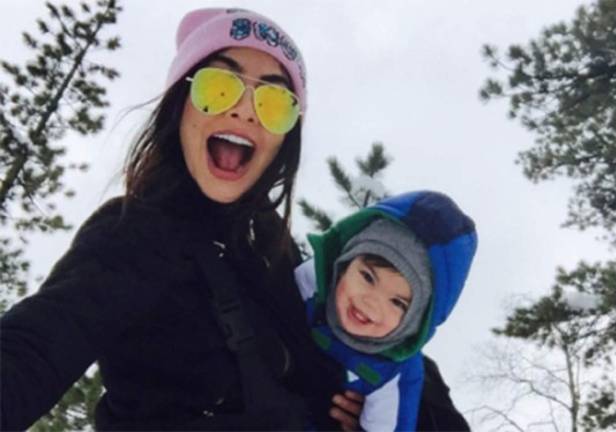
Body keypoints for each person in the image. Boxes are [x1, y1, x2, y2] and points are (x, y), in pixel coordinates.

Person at [1, 7, 361, 430]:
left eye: (275, 102)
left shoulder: (277, 258)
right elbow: (35, 349)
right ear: (180, 106)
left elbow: (359, 362)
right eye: (219, 86)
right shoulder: (132, 235)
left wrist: (356, 411)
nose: (245, 111)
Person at [294, 190, 478, 431]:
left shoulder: (394, 373)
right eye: (368, 277)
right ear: (344, 263)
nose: (371, 303)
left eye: (397, 302)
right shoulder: (311, 284)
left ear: (415, 322)